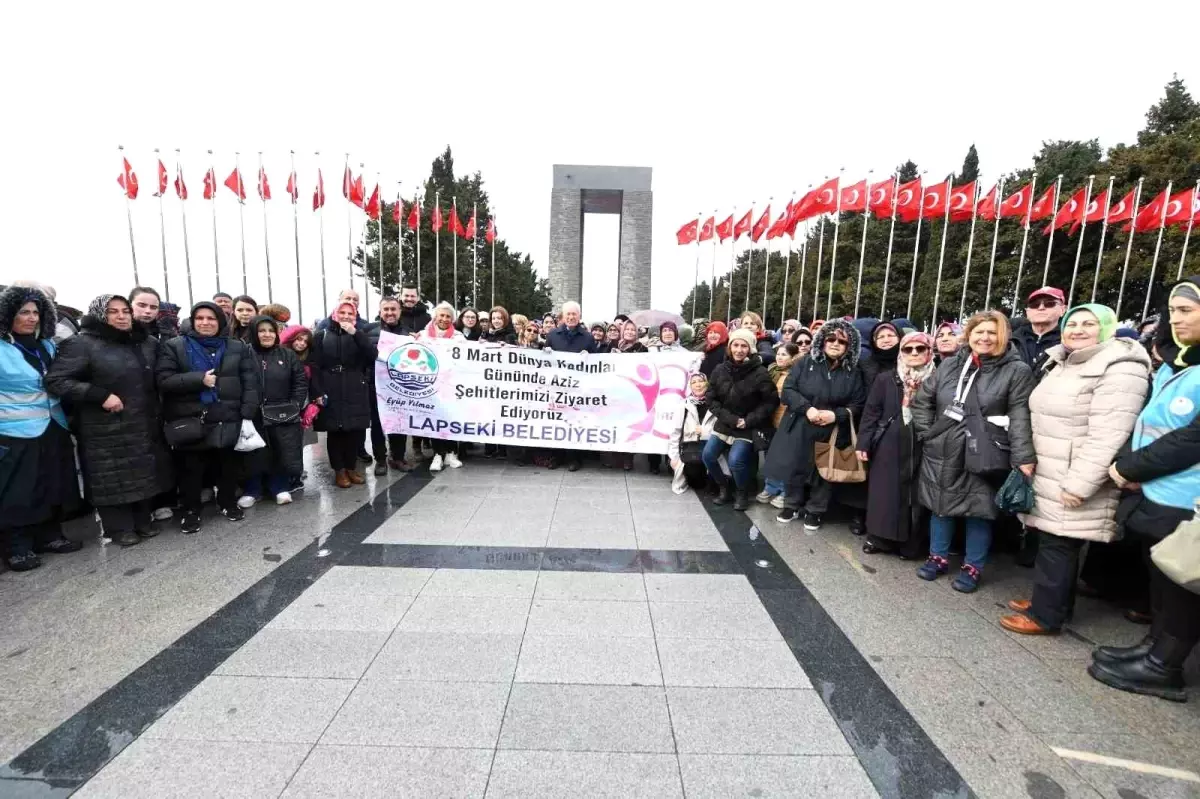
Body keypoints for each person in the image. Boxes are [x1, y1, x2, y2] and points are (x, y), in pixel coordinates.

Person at [995, 304, 1150, 635]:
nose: (1077, 329)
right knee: (1055, 539)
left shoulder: (1121, 369)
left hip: (1076, 472)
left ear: (1107, 328)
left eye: (1088, 324)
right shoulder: (1068, 362)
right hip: (1054, 467)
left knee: (1059, 543)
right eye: (1072, 324)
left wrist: (1080, 483)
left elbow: (1109, 434)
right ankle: (1050, 602)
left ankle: (1045, 616)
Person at [1088, 278, 1200, 702]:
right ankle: (1154, 646)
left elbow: (1191, 438)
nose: (1176, 319)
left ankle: (1164, 666)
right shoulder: (1179, 365)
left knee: (1183, 583)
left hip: (1189, 500)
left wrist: (1129, 466)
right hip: (1159, 491)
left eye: (1186, 310)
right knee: (1163, 579)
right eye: (1173, 311)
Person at [911, 311, 1036, 592]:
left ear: (1003, 335)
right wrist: (928, 433)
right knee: (940, 506)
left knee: (979, 509)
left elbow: (1020, 416)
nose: (985, 338)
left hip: (985, 450)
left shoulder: (1016, 371)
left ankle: (973, 566)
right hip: (942, 448)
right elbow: (923, 401)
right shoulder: (951, 365)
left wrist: (1023, 457)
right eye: (979, 332)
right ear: (969, 334)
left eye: (992, 332)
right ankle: (938, 556)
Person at [45, 294, 173, 548]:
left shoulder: (145, 342)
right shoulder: (82, 344)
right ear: (101, 314)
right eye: (114, 312)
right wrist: (99, 395)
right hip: (104, 425)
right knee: (111, 476)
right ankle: (119, 527)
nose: (122, 316)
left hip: (143, 420)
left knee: (144, 470)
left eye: (125, 311)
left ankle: (142, 520)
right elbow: (57, 380)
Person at [157, 301, 259, 533]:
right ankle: (191, 511)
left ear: (220, 321)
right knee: (191, 469)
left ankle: (227, 503)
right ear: (192, 321)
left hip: (227, 415)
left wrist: (248, 410)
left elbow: (249, 381)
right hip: (192, 418)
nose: (205, 323)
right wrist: (198, 379)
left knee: (227, 465)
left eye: (211, 318)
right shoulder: (176, 346)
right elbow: (164, 381)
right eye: (200, 318)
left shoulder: (236, 346)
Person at [0, 287, 83, 570]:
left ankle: (50, 535)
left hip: (53, 424)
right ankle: (17, 546)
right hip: (14, 431)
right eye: (24, 312)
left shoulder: (47, 346)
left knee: (54, 482)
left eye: (36, 312)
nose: (31, 318)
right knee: (19, 490)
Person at [765, 319, 866, 529]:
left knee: (823, 470)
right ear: (822, 340)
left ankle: (815, 510)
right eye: (831, 338)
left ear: (850, 346)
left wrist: (836, 415)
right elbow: (789, 390)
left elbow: (857, 403)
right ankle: (791, 504)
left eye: (842, 341)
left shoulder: (854, 371)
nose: (835, 343)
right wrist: (807, 408)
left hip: (831, 428)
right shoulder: (804, 362)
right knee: (795, 466)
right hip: (801, 422)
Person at [856, 332, 937, 558]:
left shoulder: (938, 379)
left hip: (923, 444)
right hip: (888, 443)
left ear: (929, 352)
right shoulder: (886, 378)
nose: (913, 354)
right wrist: (864, 442)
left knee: (917, 496)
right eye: (908, 349)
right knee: (884, 493)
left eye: (919, 349)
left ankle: (912, 544)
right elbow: (871, 412)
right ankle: (880, 538)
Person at [703, 328, 779, 510]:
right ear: (730, 347)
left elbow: (771, 401)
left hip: (747, 425)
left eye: (743, 346)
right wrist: (729, 418)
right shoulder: (720, 369)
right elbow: (710, 398)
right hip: (726, 421)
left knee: (736, 460)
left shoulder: (760, 372)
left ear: (750, 348)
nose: (739, 349)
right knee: (708, 455)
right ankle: (724, 487)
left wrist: (749, 420)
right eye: (735, 345)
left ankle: (742, 492)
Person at [237, 316, 308, 508]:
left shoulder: (287, 355)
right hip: (253, 413)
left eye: (270, 330)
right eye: (261, 331)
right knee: (253, 452)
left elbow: (300, 382)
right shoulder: (244, 353)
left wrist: (294, 404)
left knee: (281, 450)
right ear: (254, 332)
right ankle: (253, 490)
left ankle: (280, 487)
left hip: (282, 413)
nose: (266, 334)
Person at [312, 300, 376, 487]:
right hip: (330, 386)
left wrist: (356, 334)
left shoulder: (359, 335)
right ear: (335, 314)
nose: (346, 317)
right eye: (343, 313)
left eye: (351, 314)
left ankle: (351, 467)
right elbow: (314, 365)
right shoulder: (321, 335)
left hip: (354, 386)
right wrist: (317, 390)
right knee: (335, 432)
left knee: (354, 430)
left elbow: (372, 355)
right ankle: (339, 471)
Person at [128, 286, 176, 521]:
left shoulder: (158, 339)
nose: (147, 311)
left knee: (161, 455)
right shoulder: (118, 337)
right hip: (129, 408)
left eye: (153, 307)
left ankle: (163, 500)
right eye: (142, 305)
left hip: (159, 406)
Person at [545, 301, 599, 472]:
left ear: (579, 316)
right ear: (563, 316)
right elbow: (544, 360)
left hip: (578, 389)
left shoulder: (588, 337)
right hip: (558, 387)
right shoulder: (553, 335)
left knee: (575, 423)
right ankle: (556, 456)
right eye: (568, 314)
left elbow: (597, 363)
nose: (571, 317)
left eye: (574, 314)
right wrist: (545, 352)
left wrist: (590, 356)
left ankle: (575, 458)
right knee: (557, 422)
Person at [418, 302, 465, 471]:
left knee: (450, 418)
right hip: (430, 384)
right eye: (441, 315)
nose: (444, 319)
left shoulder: (459, 337)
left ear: (452, 319)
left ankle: (452, 453)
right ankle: (438, 454)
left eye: (448, 316)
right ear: (435, 317)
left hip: (451, 385)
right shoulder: (423, 336)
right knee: (434, 419)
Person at [757, 343, 801, 508]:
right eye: (779, 354)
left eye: (784, 355)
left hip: (788, 420)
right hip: (771, 419)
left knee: (786, 459)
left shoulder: (797, 374)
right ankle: (771, 486)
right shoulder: (772, 371)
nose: (780, 357)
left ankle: (784, 490)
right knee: (771, 456)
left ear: (793, 357)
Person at [669, 372, 715, 494]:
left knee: (714, 485)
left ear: (707, 383)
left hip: (712, 448)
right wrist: (674, 457)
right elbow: (675, 433)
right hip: (691, 450)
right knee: (697, 482)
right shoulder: (683, 405)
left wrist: (705, 432)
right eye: (693, 382)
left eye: (700, 381)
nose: (698, 385)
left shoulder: (715, 404)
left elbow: (722, 429)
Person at [1013, 287, 1066, 369]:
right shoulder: (1009, 339)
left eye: (1049, 303)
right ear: (1027, 311)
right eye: (1034, 305)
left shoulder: (1068, 343)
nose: (1041, 308)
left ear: (1062, 310)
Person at [860, 321, 901, 388]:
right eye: (881, 337)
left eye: (890, 335)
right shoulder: (864, 366)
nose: (886, 340)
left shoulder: (909, 362)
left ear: (899, 338)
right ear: (874, 341)